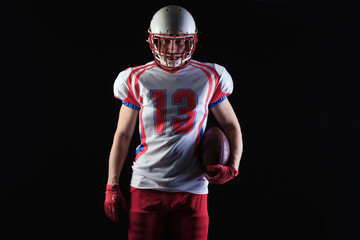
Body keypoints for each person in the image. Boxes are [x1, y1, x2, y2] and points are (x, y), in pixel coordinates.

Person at [104, 5, 243, 240]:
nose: (173, 49)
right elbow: (122, 135)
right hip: (146, 182)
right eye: (165, 41)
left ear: (192, 42)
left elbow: (231, 126)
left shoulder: (209, 75)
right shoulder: (136, 77)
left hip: (192, 185)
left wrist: (234, 165)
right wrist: (112, 184)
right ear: (152, 41)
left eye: (180, 41)